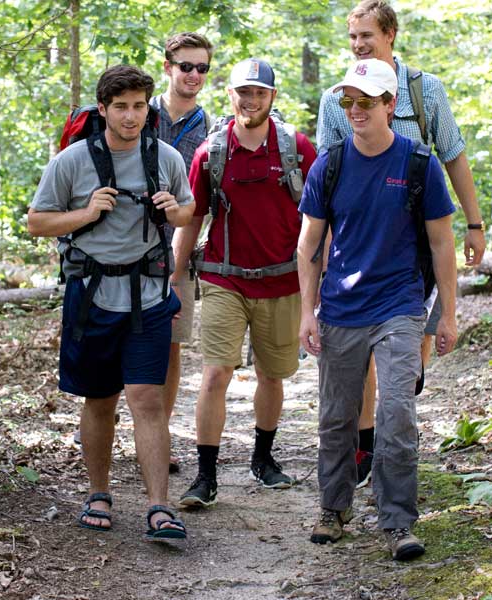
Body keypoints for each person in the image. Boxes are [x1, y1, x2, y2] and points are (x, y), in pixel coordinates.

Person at [314, 0, 486, 488]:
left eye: (366, 35)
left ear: (390, 34)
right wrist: (324, 253)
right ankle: (369, 445)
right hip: (363, 245)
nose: (358, 45)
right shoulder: (336, 98)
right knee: (368, 348)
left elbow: (453, 155)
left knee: (412, 352)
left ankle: (395, 428)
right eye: (352, 38)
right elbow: (327, 177)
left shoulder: (425, 90)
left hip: (421, 246)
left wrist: (473, 224)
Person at [296, 59, 458, 558]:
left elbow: (441, 243)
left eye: (366, 101)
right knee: (337, 416)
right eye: (348, 101)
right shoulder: (331, 163)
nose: (355, 110)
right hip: (342, 307)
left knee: (397, 413)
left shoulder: (418, 163)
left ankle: (398, 521)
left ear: (391, 105)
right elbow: (309, 246)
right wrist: (307, 312)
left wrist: (447, 314)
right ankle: (333, 508)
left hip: (400, 306)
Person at [28, 65, 196, 541]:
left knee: (147, 400)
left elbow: (188, 211)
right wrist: (87, 211)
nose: (130, 116)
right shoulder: (72, 161)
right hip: (93, 299)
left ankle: (160, 507)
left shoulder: (165, 157)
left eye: (139, 106)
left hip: (149, 295)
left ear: (149, 108)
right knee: (100, 401)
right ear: (102, 110)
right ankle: (98, 493)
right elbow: (37, 222)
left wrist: (172, 209)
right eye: (120, 107)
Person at [171, 59, 317, 508]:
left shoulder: (297, 148)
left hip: (283, 280)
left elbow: (320, 219)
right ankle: (206, 475)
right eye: (243, 92)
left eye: (260, 92)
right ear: (229, 95)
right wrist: (175, 277)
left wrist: (320, 280)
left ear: (272, 97)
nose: (251, 100)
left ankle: (263, 459)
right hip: (223, 278)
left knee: (272, 376)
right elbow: (192, 219)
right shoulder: (210, 153)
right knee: (216, 372)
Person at [151, 32, 214, 474]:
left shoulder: (210, 127)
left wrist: (179, 259)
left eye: (202, 68)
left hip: (180, 251)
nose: (194, 75)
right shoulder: (138, 109)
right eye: (186, 66)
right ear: (168, 66)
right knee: (119, 339)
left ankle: (160, 436)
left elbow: (202, 200)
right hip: (122, 245)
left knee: (170, 345)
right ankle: (110, 424)